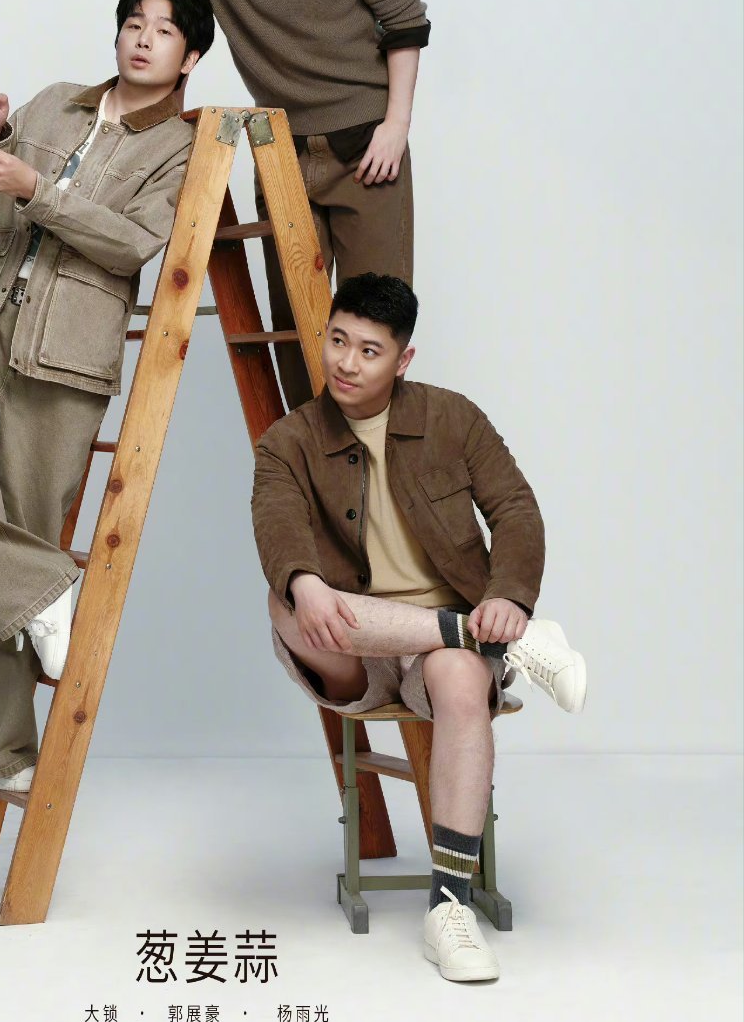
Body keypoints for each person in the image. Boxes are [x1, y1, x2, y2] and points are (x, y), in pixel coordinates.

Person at [0, 0, 214, 794]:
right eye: (133, 24)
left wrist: (41, 193)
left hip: (66, 353)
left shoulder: (181, 147)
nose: (143, 39)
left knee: (17, 536)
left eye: (164, 31)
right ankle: (46, 587)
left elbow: (133, 244)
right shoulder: (54, 102)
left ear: (190, 57)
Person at [251, 273, 587, 983]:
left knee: (462, 684)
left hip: (442, 634)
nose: (346, 362)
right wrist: (304, 581)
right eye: (338, 341)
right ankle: (499, 645)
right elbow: (278, 526)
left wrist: (510, 597)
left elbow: (516, 510)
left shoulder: (453, 418)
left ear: (403, 359)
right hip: (354, 643)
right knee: (286, 600)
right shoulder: (289, 441)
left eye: (369, 351)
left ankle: (450, 907)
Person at [166, 0, 430, 409]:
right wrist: (165, 117)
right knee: (296, 333)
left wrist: (395, 126)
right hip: (279, 147)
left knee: (371, 332)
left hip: (365, 147)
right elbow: (180, 14)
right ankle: (307, 465)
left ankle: (377, 466)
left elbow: (405, 20)